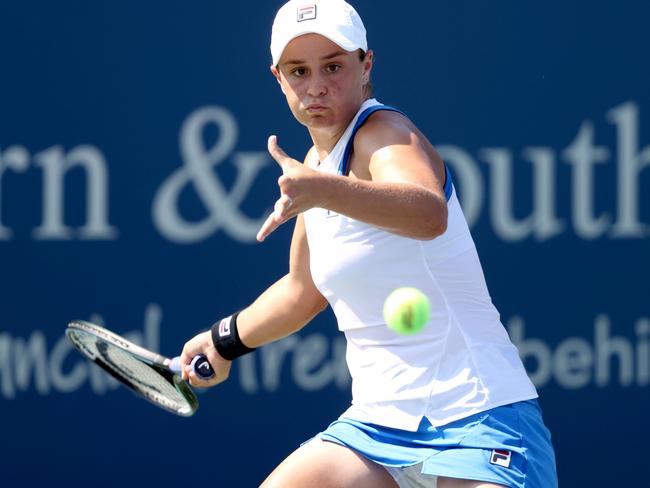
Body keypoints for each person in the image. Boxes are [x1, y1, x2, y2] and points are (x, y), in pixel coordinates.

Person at [180, 1, 558, 487]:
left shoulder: (384, 133)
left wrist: (323, 191)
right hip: (377, 429)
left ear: (366, 65)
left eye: (333, 66)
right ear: (278, 78)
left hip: (478, 417)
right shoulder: (316, 168)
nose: (316, 85)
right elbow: (302, 291)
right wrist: (225, 340)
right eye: (299, 71)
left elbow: (427, 212)